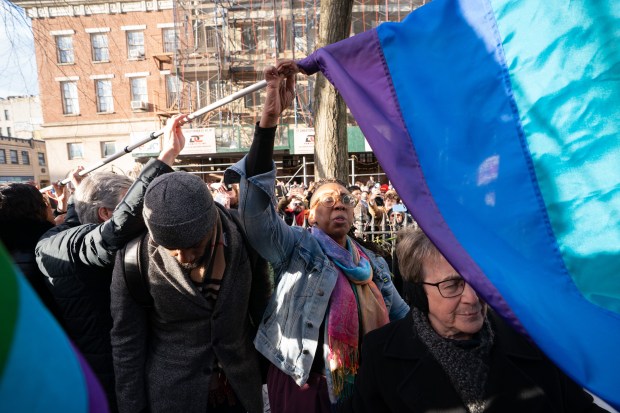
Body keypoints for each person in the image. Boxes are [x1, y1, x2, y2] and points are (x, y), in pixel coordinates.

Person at [224, 61, 409, 412]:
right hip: (304, 385)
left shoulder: (373, 265)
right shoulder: (296, 247)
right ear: (310, 214)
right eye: (327, 200)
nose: (338, 204)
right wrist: (269, 123)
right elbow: (255, 217)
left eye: (345, 199)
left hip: (363, 388)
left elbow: (402, 319)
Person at [342, 226, 609, 413]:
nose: (472, 297)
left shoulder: (532, 341)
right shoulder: (381, 352)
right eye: (452, 285)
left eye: (477, 281)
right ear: (417, 292)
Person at [35, 114, 187, 411]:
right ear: (106, 213)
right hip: (102, 372)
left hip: (103, 363)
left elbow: (87, 223)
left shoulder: (62, 236)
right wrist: (165, 157)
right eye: (129, 203)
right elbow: (112, 233)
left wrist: (81, 190)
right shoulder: (65, 245)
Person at [110, 171, 270, 411]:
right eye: (172, 249)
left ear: (211, 219)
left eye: (194, 245)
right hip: (173, 397)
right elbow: (127, 344)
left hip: (242, 391)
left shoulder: (245, 236)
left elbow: (263, 312)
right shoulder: (133, 259)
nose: (184, 257)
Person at [0, 182, 65, 326]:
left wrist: (61, 209)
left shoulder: (6, 247)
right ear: (37, 209)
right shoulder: (49, 242)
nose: (49, 207)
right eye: (45, 203)